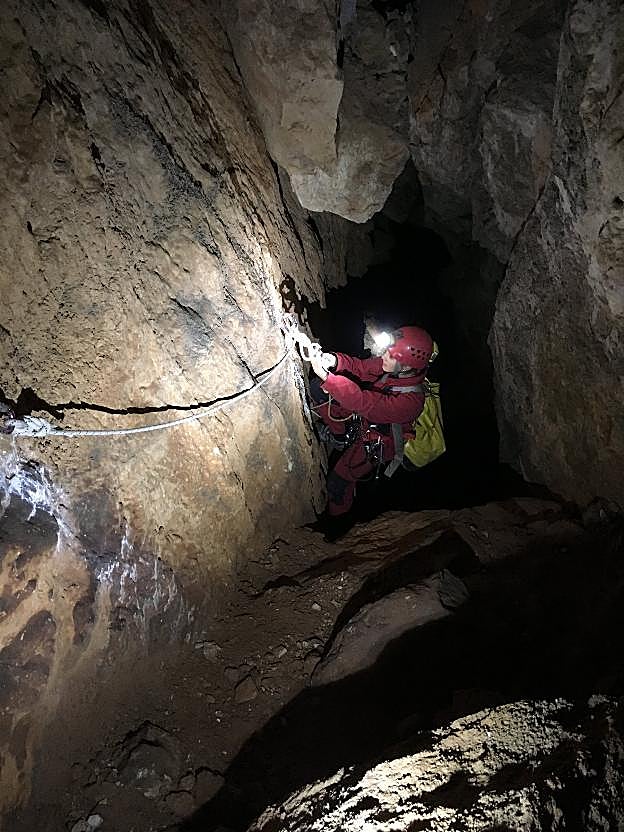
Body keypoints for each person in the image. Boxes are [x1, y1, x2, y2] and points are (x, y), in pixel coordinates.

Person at [308, 325, 435, 518]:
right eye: (386, 351)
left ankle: (339, 521)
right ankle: (339, 437)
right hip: (364, 418)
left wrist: (328, 377)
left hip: (377, 441)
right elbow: (360, 368)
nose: (383, 356)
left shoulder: (411, 402)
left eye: (390, 355)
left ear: (406, 366)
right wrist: (334, 360)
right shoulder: (392, 367)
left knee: (337, 484)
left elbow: (365, 403)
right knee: (319, 390)